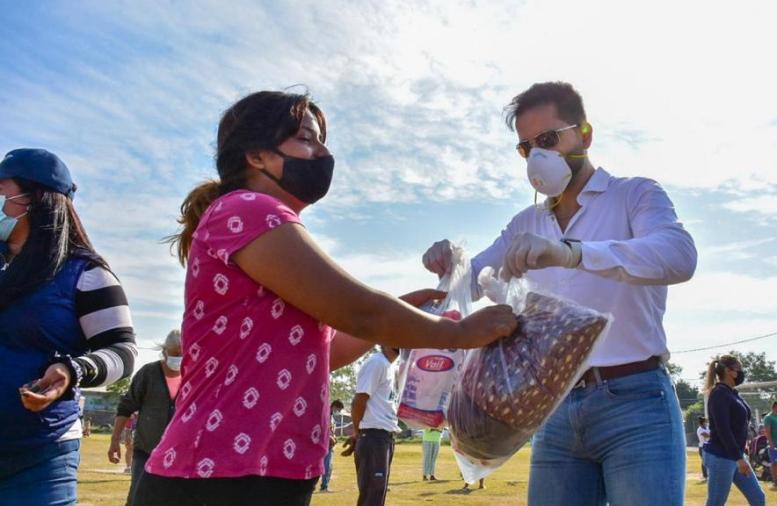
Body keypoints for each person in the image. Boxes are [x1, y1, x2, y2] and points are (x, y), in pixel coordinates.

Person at [132, 90, 516, 506]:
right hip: (219, 473)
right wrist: (459, 332)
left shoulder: (262, 221)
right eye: (305, 138)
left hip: (264, 471)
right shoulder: (249, 209)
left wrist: (405, 308)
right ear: (258, 156)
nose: (321, 153)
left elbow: (325, 352)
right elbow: (361, 312)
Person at [422, 81, 697, 506]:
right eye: (526, 148)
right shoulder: (524, 223)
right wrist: (449, 261)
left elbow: (678, 256)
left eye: (548, 140)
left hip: (637, 400)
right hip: (551, 409)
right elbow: (473, 277)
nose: (537, 156)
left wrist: (571, 253)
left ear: (584, 135)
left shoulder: (634, 194)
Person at [0, 148, 137, 505]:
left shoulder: (86, 273)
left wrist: (72, 370)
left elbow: (122, 352)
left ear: (36, 199)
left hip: (40, 455)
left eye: (1, 190)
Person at [109, 330, 182, 506]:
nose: (178, 358)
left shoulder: (193, 375)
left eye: (182, 354)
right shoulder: (149, 373)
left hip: (179, 454)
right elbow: (126, 406)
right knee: (139, 498)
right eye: (174, 354)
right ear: (164, 351)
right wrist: (115, 440)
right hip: (146, 450)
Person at [702, 355, 766, 506]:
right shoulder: (719, 394)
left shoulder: (732, 393)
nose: (741, 373)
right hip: (721, 456)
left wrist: (740, 455)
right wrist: (739, 458)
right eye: (739, 369)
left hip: (735, 455)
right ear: (729, 371)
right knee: (716, 503)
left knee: (758, 499)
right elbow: (723, 429)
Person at [343, 347, 401, 506]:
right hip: (374, 436)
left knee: (377, 494)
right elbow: (359, 400)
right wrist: (358, 432)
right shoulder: (377, 363)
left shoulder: (390, 366)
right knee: (372, 497)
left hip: (384, 437)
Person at [319, 399, 344, 493]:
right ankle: (324, 486)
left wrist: (334, 437)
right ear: (334, 406)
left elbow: (331, 429)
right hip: (325, 444)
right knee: (327, 465)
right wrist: (330, 436)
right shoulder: (325, 414)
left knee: (328, 465)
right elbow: (324, 427)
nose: (339, 412)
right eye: (338, 409)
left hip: (330, 444)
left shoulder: (331, 415)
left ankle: (324, 485)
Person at [697, 416, 711, 481]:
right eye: (705, 422)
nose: (707, 423)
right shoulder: (700, 430)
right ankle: (705, 476)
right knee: (704, 462)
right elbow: (707, 436)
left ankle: (709, 474)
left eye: (707, 422)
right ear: (702, 423)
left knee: (711, 461)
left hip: (709, 446)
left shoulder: (707, 428)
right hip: (702, 447)